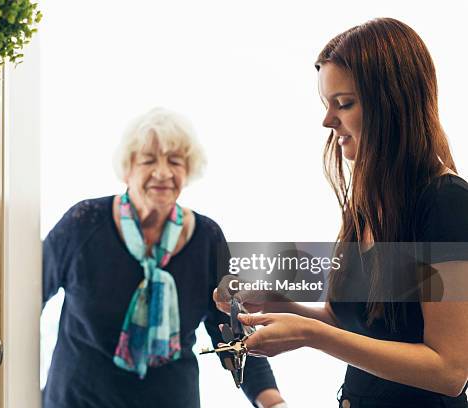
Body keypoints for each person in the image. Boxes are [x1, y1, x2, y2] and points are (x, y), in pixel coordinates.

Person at [214, 18, 468, 407]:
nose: (327, 120)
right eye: (326, 104)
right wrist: (276, 303)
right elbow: (346, 320)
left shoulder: (446, 203)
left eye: (343, 103)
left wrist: (310, 336)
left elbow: (449, 370)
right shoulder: (367, 205)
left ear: (393, 104)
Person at [42, 108, 285, 408]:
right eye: (148, 160)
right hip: (78, 400)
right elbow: (24, 302)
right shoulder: (84, 223)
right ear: (127, 167)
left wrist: (273, 402)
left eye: (174, 161)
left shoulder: (207, 237)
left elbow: (234, 333)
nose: (162, 173)